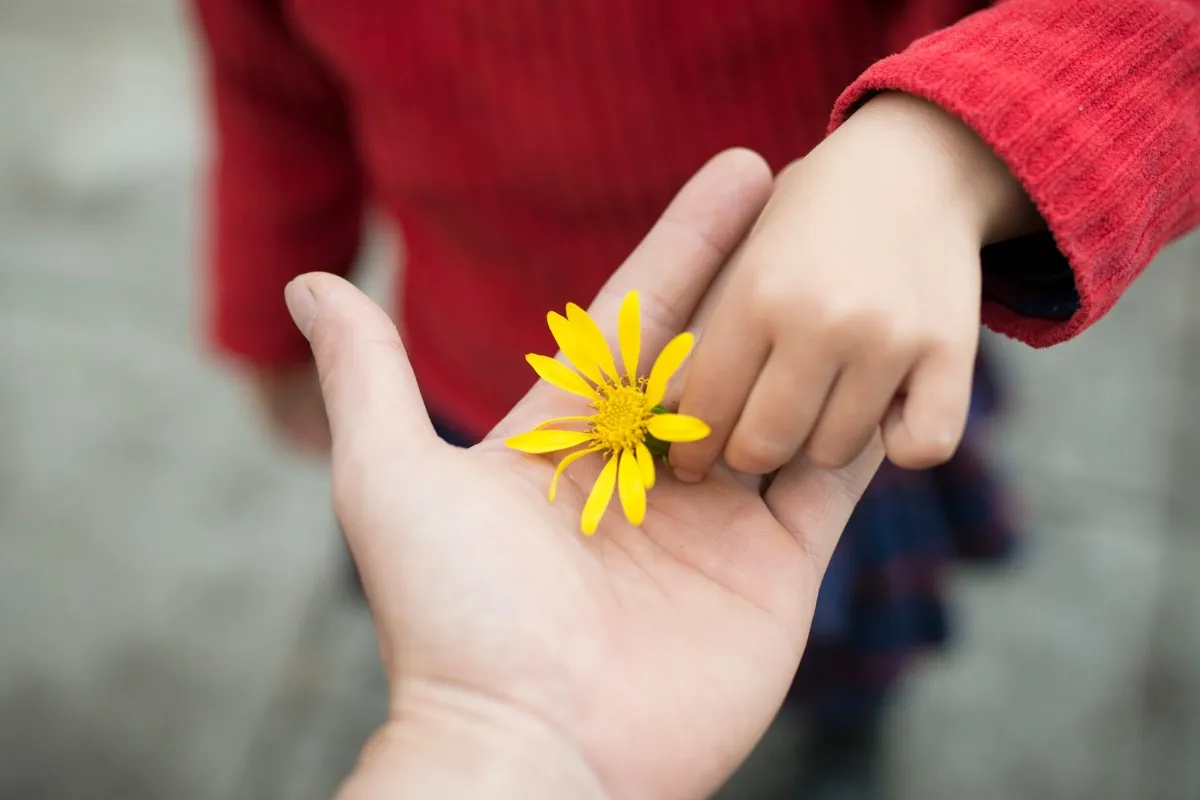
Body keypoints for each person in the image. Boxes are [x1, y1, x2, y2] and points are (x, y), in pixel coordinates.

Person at [191, 2, 1200, 795]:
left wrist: (946, 150)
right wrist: (491, 737)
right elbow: (266, 96)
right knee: (472, 589)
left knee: (837, 620)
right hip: (492, 394)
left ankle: (843, 725)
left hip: (821, 391)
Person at [288, 155, 885, 798]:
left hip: (804, 296)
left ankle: (851, 719)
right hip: (463, 361)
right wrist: (494, 728)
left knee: (850, 615)